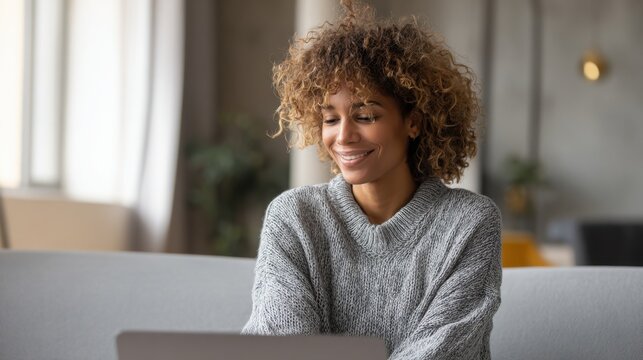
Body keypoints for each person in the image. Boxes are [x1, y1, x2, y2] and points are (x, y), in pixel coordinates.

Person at [241, 1, 502, 359]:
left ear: (414, 121)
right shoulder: (294, 217)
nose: (343, 136)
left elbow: (443, 350)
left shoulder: (469, 222)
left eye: (365, 116)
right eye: (330, 119)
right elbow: (285, 347)